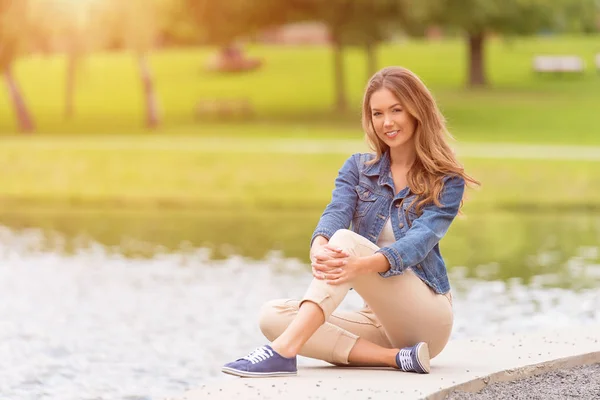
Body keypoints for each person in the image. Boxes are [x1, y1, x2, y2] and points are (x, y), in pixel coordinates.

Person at [222, 66, 479, 377]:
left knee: (344, 241)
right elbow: (336, 211)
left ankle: (282, 353)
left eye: (396, 110)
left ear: (416, 110)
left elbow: (419, 242)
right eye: (377, 113)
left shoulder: (446, 180)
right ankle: (396, 358)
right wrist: (318, 246)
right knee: (273, 317)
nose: (387, 122)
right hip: (376, 319)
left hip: (426, 317)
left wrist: (360, 266)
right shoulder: (359, 168)